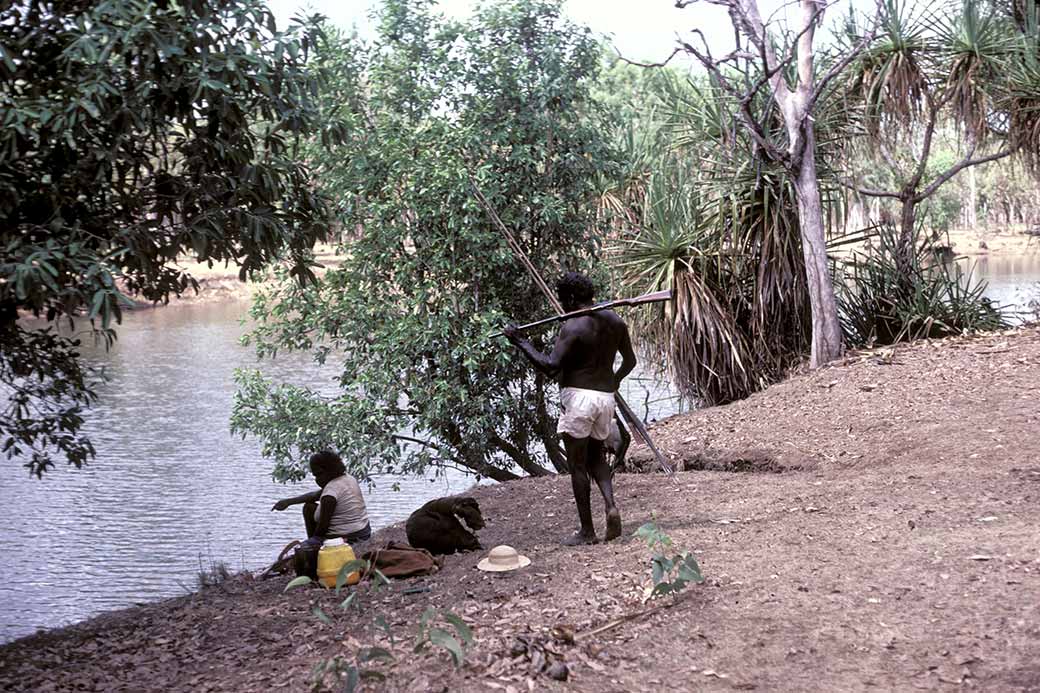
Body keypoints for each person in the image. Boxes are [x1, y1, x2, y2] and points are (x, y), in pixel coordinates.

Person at [504, 272, 637, 545]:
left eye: (564, 299)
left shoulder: (573, 326)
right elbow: (630, 361)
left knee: (577, 465)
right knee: (596, 457)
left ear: (572, 297)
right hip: (605, 399)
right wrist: (615, 380)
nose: (562, 304)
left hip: (578, 399)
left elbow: (551, 366)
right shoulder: (615, 320)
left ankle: (587, 531)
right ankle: (610, 506)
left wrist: (521, 342)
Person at [272, 451, 371, 547]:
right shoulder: (348, 479)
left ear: (330, 470)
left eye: (319, 474)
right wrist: (288, 502)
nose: (317, 479)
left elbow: (322, 530)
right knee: (309, 507)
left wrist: (311, 542)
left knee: (304, 547)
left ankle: (315, 551)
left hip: (348, 538)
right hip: (364, 531)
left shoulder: (330, 495)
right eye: (315, 476)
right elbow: (314, 496)